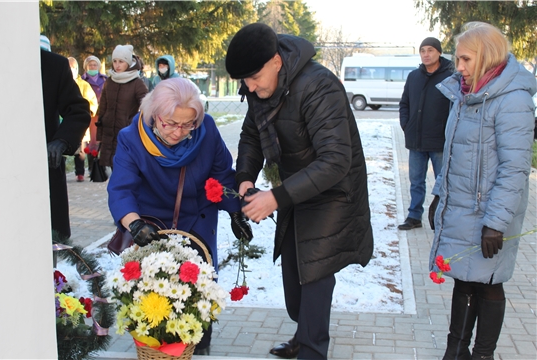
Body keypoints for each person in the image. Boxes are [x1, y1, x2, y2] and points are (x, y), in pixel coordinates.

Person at [225, 23, 374, 360]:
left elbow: (336, 159)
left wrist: (275, 197)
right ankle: (304, 332)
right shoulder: (259, 89)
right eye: (243, 81)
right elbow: (251, 135)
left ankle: (311, 349)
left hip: (334, 192)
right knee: (295, 284)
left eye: (254, 77)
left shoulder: (319, 86)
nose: (249, 86)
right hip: (295, 189)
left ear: (276, 61)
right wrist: (245, 178)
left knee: (315, 273)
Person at [107, 77, 253, 355]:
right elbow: (121, 189)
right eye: (171, 123)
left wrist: (237, 214)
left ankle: (199, 345)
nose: (178, 131)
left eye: (188, 124)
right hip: (151, 225)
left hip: (197, 218)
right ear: (154, 116)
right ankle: (159, 348)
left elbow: (222, 174)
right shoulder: (131, 138)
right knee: (156, 290)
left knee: (198, 287)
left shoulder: (207, 129)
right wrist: (133, 222)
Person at [428, 22, 536, 360]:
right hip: (460, 205)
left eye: (465, 59)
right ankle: (455, 351)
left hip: (491, 211)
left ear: (487, 57)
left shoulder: (513, 101)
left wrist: (497, 223)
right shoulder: (464, 94)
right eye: (457, 59)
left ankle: (482, 354)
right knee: (463, 278)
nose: (458, 67)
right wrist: (438, 195)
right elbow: (453, 152)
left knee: (489, 283)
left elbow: (515, 168)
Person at [398, 37, 453, 230]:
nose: (426, 54)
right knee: (416, 182)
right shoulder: (414, 76)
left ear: (439, 52)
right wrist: (407, 125)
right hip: (416, 140)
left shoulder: (451, 76)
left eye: (430, 50)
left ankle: (443, 219)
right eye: (423, 51)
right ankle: (414, 217)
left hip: (439, 141)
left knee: (443, 182)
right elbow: (404, 103)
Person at [40, 37, 91, 240]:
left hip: (43, 168)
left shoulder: (52, 64)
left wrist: (62, 140)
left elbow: (78, 111)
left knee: (47, 240)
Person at [97, 44, 148, 169]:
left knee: (126, 168)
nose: (117, 65)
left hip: (127, 133)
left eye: (121, 61)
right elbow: (102, 109)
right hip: (109, 134)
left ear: (128, 62)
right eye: (115, 61)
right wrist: (99, 136)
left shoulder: (137, 83)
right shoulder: (109, 81)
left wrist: (134, 122)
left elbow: (147, 107)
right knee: (114, 170)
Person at [68, 57, 98, 182]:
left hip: (80, 120)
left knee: (80, 148)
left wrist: (88, 113)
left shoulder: (84, 85)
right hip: (64, 119)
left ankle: (80, 173)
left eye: (71, 69)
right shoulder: (61, 83)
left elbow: (92, 102)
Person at [81, 55, 108, 169]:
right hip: (89, 112)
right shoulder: (82, 80)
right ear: (86, 67)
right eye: (90, 65)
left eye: (95, 65)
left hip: (102, 112)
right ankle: (91, 166)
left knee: (100, 138)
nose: (92, 67)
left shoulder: (105, 79)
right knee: (89, 140)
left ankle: (100, 166)